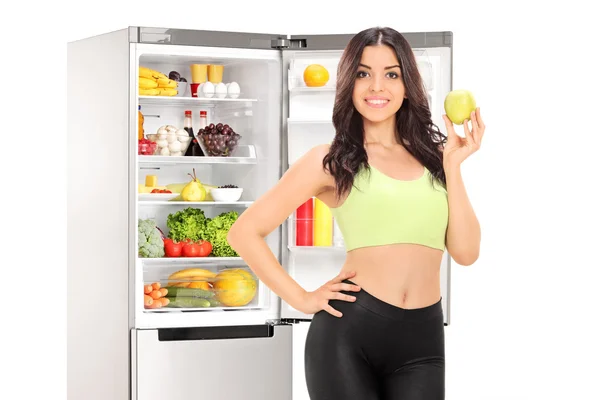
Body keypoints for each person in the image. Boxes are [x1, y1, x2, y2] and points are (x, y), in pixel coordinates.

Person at [227, 26, 485, 400]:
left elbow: (466, 253)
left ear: (408, 84)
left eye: (391, 74)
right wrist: (302, 299)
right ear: (349, 82)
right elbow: (244, 232)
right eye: (364, 73)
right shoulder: (330, 160)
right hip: (348, 336)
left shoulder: (436, 158)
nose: (377, 87)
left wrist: (454, 166)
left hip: (423, 338)